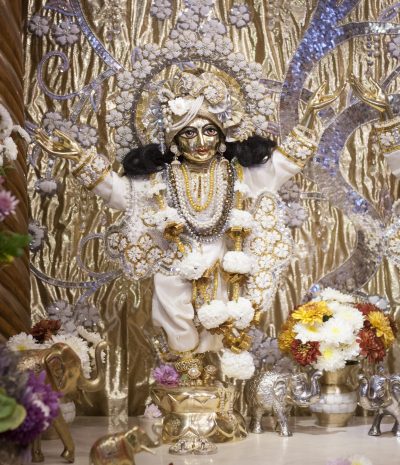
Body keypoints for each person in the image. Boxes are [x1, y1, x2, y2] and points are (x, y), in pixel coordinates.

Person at [35, 68, 341, 378]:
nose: (201, 142)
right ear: (174, 141)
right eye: (189, 133)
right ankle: (184, 375)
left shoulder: (239, 175)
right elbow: (121, 192)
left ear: (221, 137)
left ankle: (213, 382)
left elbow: (282, 165)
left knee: (221, 329)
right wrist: (79, 159)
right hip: (176, 264)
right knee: (174, 313)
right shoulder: (161, 181)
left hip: (225, 265)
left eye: (209, 131)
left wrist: (309, 116)